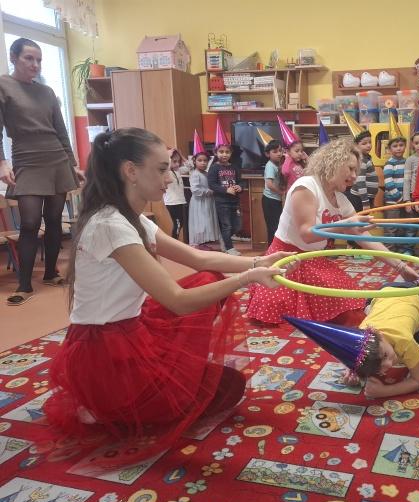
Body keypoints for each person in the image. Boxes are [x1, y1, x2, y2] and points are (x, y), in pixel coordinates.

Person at [45, 128, 293, 465]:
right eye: (162, 169)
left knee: (210, 294)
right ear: (130, 171)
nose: (170, 178)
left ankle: (123, 401)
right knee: (212, 390)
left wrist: (258, 261)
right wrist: (247, 279)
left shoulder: (131, 219)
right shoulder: (110, 225)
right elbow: (176, 300)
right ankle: (107, 403)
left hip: (130, 328)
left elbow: (199, 258)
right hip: (104, 350)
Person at [247, 138, 419, 325]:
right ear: (334, 163)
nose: (354, 176)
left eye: (356, 171)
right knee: (285, 315)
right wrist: (346, 224)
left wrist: (401, 267)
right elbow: (307, 234)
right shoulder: (306, 186)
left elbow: (363, 236)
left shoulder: (341, 200)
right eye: (350, 169)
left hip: (314, 260)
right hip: (285, 259)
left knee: (350, 302)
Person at [0, 38, 84, 306]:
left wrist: (72, 163)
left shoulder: (47, 92)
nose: (35, 64)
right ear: (13, 58)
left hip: (56, 159)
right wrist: (2, 163)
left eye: (38, 60)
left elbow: (61, 130)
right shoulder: (3, 85)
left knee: (54, 219)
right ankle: (24, 285)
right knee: (29, 222)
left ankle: (50, 273)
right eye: (29, 58)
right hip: (26, 158)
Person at [284, 279, 419, 398]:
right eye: (379, 368)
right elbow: (353, 353)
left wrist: (385, 391)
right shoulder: (363, 332)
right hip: (382, 292)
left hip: (413, 294)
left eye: (385, 355)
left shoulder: (404, 341)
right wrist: (351, 371)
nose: (389, 365)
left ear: (379, 335)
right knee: (369, 309)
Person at [207, 142, 242, 255]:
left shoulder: (234, 167)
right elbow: (212, 184)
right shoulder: (214, 168)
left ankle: (224, 239)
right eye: (221, 152)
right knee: (227, 226)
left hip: (234, 201)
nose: (224, 154)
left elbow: (240, 181)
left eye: (227, 152)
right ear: (216, 153)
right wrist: (226, 190)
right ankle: (229, 248)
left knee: (236, 226)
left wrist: (240, 187)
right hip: (222, 202)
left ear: (231, 153)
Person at [402, 130, 419, 255]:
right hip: (413, 196)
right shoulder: (410, 160)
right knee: (412, 225)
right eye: (417, 143)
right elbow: (406, 180)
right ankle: (408, 249)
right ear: (412, 144)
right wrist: (407, 200)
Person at [380, 134, 407, 250]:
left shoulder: (406, 162)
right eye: (395, 146)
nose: (398, 148)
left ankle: (399, 251)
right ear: (390, 149)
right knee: (391, 227)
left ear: (405, 146)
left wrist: (406, 199)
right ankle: (389, 251)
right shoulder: (389, 164)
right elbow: (389, 183)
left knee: (401, 227)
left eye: (401, 145)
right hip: (393, 202)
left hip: (404, 201)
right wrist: (399, 198)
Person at [187, 151, 220, 246]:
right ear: (194, 161)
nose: (203, 163)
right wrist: (209, 191)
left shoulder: (206, 173)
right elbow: (195, 190)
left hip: (208, 201)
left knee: (207, 221)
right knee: (201, 222)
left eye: (205, 161)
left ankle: (204, 243)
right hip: (199, 202)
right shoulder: (195, 174)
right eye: (200, 160)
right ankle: (198, 244)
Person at [262, 139, 285, 245]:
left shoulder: (277, 165)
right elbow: (269, 184)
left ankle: (274, 248)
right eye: (275, 152)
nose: (279, 154)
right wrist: (281, 192)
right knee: (273, 227)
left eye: (280, 151)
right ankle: (271, 249)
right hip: (270, 200)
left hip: (275, 200)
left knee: (276, 225)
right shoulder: (270, 166)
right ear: (268, 154)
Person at [164, 149, 187, 239]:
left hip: (180, 201)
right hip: (172, 203)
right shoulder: (165, 172)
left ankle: (174, 241)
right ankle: (174, 241)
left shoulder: (178, 171)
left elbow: (190, 166)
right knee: (178, 224)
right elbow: (166, 167)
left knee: (180, 223)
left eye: (178, 161)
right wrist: (168, 157)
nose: (177, 164)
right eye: (174, 161)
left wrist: (181, 155)